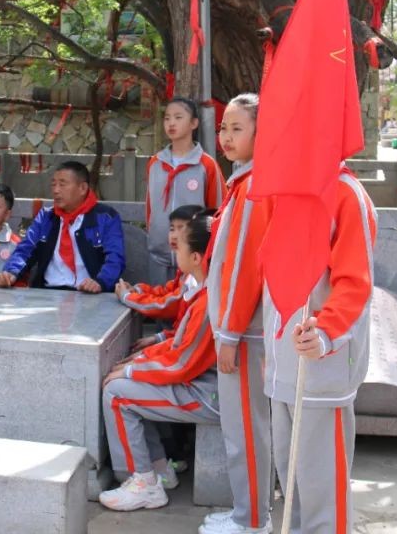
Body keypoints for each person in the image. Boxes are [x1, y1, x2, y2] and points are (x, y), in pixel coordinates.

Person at [265, 169, 377, 534]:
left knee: (322, 497)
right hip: (282, 362)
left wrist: (327, 332)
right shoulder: (283, 190)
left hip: (319, 367)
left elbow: (355, 282)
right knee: (292, 485)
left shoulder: (345, 194)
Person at [98, 211, 220, 511]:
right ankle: (157, 471)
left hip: (210, 394)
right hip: (202, 382)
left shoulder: (208, 300)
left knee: (117, 395)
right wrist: (138, 361)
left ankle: (142, 481)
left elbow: (181, 364)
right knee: (128, 380)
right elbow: (180, 343)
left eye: (179, 245)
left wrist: (132, 369)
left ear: (195, 257)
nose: (173, 247)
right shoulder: (204, 289)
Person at [200, 93, 274, 534]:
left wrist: (229, 333)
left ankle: (251, 521)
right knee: (244, 425)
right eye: (224, 128)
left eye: (237, 128)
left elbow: (245, 266)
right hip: (238, 327)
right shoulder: (242, 183)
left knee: (245, 427)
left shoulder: (253, 189)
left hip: (244, 331)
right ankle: (248, 512)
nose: (226, 137)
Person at [0, 161, 124, 293]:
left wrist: (100, 282)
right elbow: (25, 249)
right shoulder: (46, 217)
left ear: (83, 188)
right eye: (53, 184)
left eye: (62, 184)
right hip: (47, 292)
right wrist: (11, 273)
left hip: (89, 294)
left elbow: (115, 258)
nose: (56, 190)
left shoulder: (106, 217)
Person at [144, 98, 225, 283]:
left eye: (178, 117)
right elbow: (150, 208)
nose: (171, 123)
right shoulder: (155, 163)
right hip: (158, 257)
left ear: (194, 123)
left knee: (189, 309)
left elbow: (218, 211)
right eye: (167, 118)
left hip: (194, 261)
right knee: (157, 305)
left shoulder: (206, 165)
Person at [117, 204, 204, 321]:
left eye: (181, 228)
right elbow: (166, 291)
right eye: (172, 229)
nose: (174, 236)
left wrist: (127, 297)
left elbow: (166, 305)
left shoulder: (196, 278)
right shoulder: (187, 271)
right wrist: (137, 290)